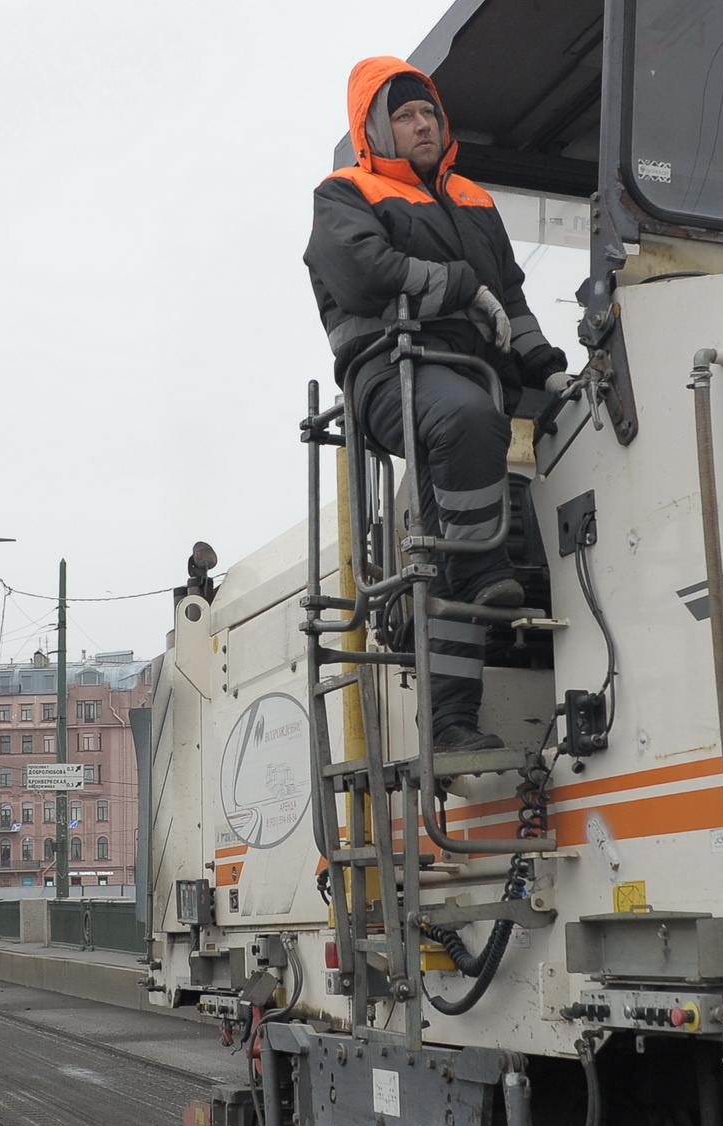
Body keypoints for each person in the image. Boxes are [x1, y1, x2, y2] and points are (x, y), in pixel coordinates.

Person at [306, 58, 570, 752]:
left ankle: (451, 723)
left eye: (429, 113)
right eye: (404, 114)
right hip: (392, 372)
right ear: (374, 128)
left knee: (562, 434)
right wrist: (460, 286)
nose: (423, 123)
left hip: (469, 371)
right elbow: (368, 276)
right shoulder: (342, 195)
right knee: (466, 420)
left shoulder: (474, 200)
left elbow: (509, 295)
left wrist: (547, 366)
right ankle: (487, 571)